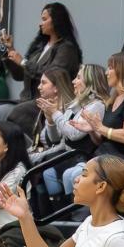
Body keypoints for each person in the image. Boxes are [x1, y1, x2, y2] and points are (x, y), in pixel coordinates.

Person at [63, 52, 124, 187]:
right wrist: (92, 130)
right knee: (72, 177)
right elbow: (102, 140)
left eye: (110, 68)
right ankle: (79, 208)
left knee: (86, 181)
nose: (106, 72)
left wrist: (100, 128)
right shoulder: (113, 101)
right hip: (113, 160)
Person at [0, 3, 83, 135]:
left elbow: (53, 75)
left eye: (44, 19)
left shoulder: (67, 48)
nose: (40, 23)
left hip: (49, 101)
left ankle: (20, 152)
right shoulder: (39, 46)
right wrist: (10, 50)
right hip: (26, 99)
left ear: (56, 21)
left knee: (15, 114)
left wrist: (24, 62)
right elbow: (20, 76)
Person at [41, 64, 111, 208]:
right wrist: (50, 120)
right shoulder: (75, 104)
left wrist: (55, 113)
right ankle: (59, 211)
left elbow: (74, 134)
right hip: (68, 155)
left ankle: (74, 213)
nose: (73, 81)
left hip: (83, 156)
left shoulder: (97, 105)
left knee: (68, 174)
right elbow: (55, 139)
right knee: (46, 172)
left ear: (90, 82)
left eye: (78, 78)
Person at [28, 68, 75, 157]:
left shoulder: (70, 110)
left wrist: (29, 158)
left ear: (56, 88)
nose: (39, 87)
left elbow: (59, 145)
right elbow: (41, 143)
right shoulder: (48, 106)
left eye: (43, 83)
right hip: (40, 152)